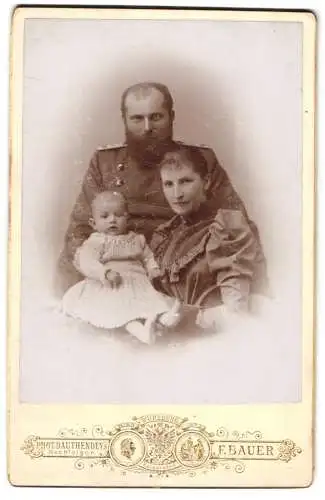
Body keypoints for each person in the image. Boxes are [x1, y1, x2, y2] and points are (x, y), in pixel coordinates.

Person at [58, 81, 268, 295]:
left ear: (171, 117)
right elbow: (79, 231)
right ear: (125, 120)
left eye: (156, 117)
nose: (147, 128)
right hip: (119, 273)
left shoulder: (200, 159)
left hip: (182, 270)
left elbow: (238, 224)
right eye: (137, 119)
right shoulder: (105, 163)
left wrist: (258, 296)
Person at [150, 145, 264, 328]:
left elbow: (236, 313)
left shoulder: (227, 228)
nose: (177, 194)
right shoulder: (165, 234)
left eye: (186, 181)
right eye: (168, 184)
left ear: (206, 182)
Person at [61, 191, 181, 344]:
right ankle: (140, 331)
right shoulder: (96, 242)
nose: (112, 220)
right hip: (112, 284)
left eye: (118, 215)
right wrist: (104, 273)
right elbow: (87, 262)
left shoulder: (136, 239)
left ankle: (165, 318)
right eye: (105, 216)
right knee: (121, 310)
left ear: (127, 218)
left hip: (138, 282)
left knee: (152, 301)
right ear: (93, 223)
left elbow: (147, 257)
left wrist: (153, 269)